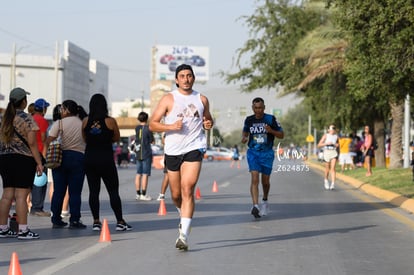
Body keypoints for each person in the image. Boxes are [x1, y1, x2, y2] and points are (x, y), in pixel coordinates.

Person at [149, 64, 214, 251]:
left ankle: (183, 235)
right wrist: (170, 127)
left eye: (189, 76)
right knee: (176, 195)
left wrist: (209, 124)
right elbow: (153, 125)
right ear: (177, 80)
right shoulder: (168, 99)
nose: (186, 79)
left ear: (193, 78)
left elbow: (207, 120)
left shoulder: (202, 99)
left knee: (188, 189)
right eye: (182, 76)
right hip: (173, 151)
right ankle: (182, 215)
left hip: (194, 147)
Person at [82, 94, 132, 231]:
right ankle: (120, 221)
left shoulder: (85, 121)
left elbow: (84, 138)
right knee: (113, 191)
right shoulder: (110, 121)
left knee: (93, 191)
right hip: (105, 159)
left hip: (90, 158)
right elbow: (116, 137)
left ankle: (96, 221)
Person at [0, 87, 42, 239]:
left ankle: (3, 228)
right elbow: (32, 143)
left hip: (5, 158)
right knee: (21, 196)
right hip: (23, 159)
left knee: (7, 195)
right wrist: (39, 162)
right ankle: (23, 230)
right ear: (23, 101)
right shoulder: (26, 118)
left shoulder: (3, 118)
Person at [45, 100, 87, 229]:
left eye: (62, 109)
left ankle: (56, 219)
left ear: (67, 110)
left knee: (59, 191)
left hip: (61, 159)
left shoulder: (59, 123)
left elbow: (49, 141)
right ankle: (74, 220)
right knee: (75, 192)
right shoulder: (82, 123)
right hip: (79, 158)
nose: (61, 111)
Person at [241, 97, 284, 218]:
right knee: (255, 178)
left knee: (265, 181)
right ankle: (255, 205)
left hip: (267, 153)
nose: (258, 110)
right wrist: (244, 138)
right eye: (255, 108)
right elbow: (245, 133)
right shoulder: (249, 120)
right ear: (252, 108)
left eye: (260, 108)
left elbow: (281, 135)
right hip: (253, 153)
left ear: (264, 108)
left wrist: (271, 131)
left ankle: (264, 201)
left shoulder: (270, 119)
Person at [47, 104, 70, 218]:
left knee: (53, 184)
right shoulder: (66, 125)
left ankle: (54, 210)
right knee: (66, 184)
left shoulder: (51, 126)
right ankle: (64, 210)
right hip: (65, 155)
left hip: (53, 156)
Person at [30, 98, 51, 217]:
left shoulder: (30, 119)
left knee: (32, 182)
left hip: (29, 153)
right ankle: (37, 208)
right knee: (40, 181)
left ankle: (33, 206)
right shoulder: (42, 121)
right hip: (40, 153)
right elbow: (43, 139)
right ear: (42, 108)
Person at [132, 111, 154, 201]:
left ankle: (137, 194)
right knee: (145, 174)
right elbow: (152, 141)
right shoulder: (149, 128)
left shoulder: (137, 128)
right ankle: (143, 194)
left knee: (138, 174)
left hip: (138, 152)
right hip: (146, 153)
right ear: (147, 119)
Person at [317, 125, 339, 190]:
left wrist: (336, 145)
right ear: (328, 130)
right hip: (327, 152)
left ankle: (333, 184)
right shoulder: (326, 135)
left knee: (333, 168)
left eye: (334, 128)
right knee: (327, 169)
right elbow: (319, 145)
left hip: (333, 152)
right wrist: (326, 143)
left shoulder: (336, 136)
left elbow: (338, 144)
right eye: (332, 128)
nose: (333, 129)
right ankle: (326, 180)